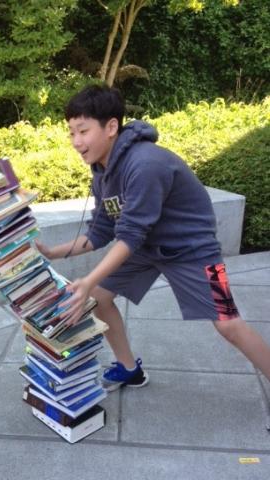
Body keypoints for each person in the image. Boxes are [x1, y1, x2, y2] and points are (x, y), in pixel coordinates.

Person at [36, 84, 270, 395]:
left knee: (228, 323)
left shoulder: (146, 164)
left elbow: (129, 234)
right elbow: (102, 230)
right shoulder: (101, 171)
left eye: (83, 131)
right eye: (71, 133)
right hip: (146, 248)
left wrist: (88, 280)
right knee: (99, 300)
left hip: (196, 251)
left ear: (111, 127)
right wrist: (54, 252)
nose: (76, 142)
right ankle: (130, 369)